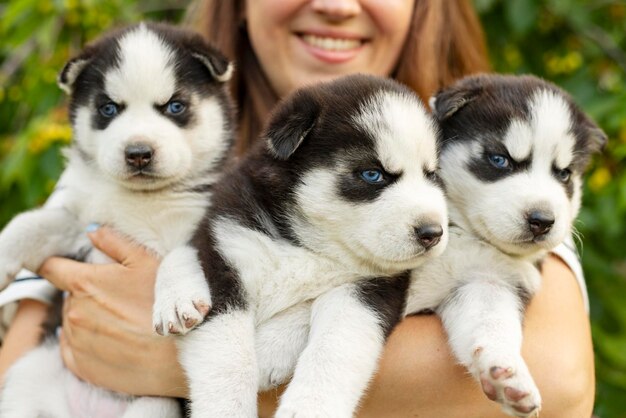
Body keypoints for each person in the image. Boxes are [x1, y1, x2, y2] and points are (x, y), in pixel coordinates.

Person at [0, 0, 595, 416]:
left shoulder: (485, 177)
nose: (335, 4)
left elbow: (562, 383)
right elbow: (30, 350)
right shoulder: (137, 174)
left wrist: (170, 367)